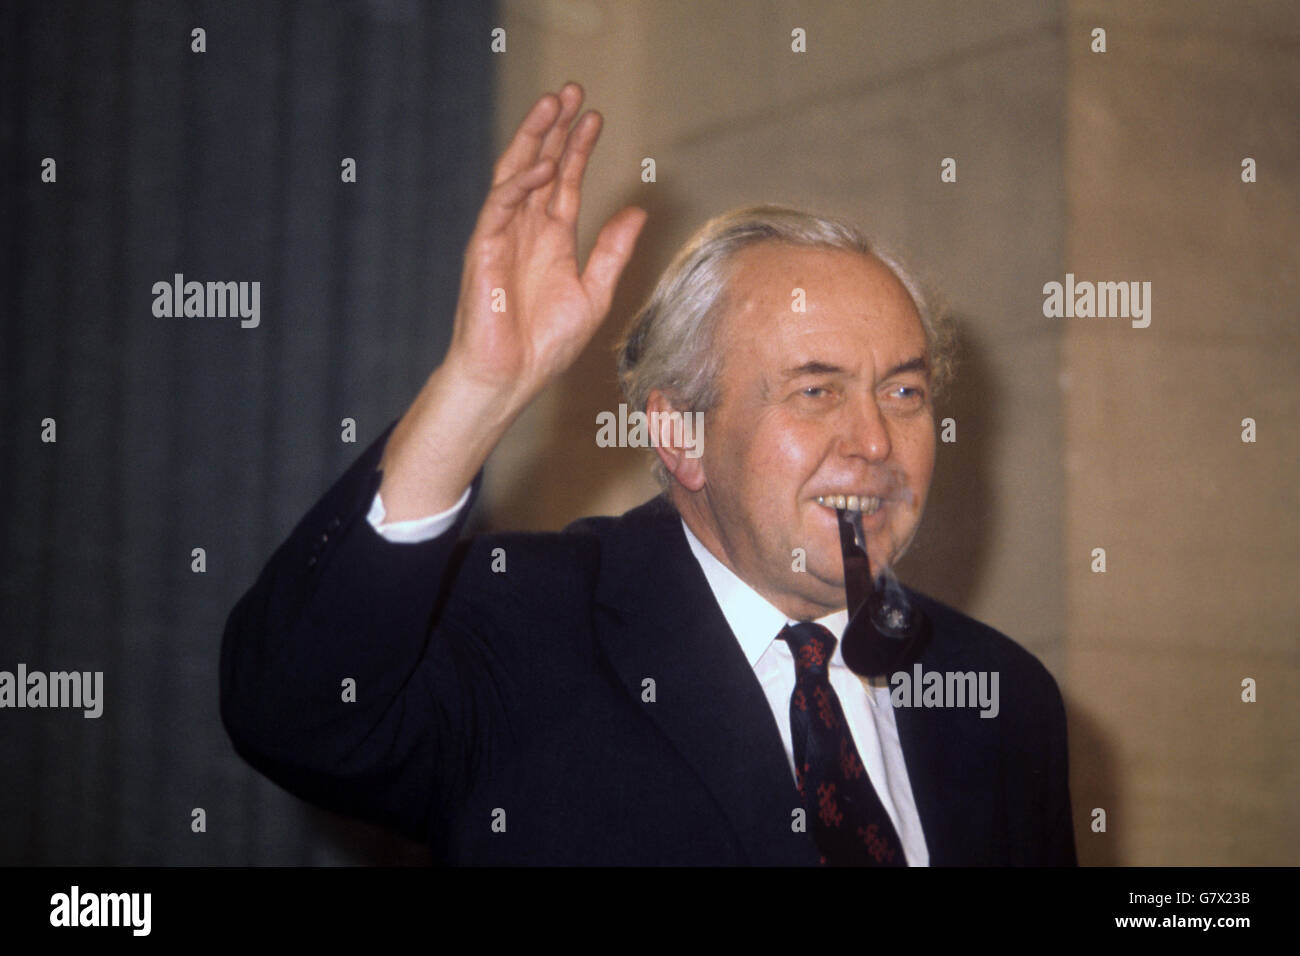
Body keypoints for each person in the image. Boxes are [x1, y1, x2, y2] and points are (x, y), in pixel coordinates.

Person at [220, 82, 1076, 866]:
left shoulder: (1000, 698)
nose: (876, 441)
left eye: (904, 391)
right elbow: (296, 712)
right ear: (679, 432)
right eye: (816, 390)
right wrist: (476, 392)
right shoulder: (526, 627)